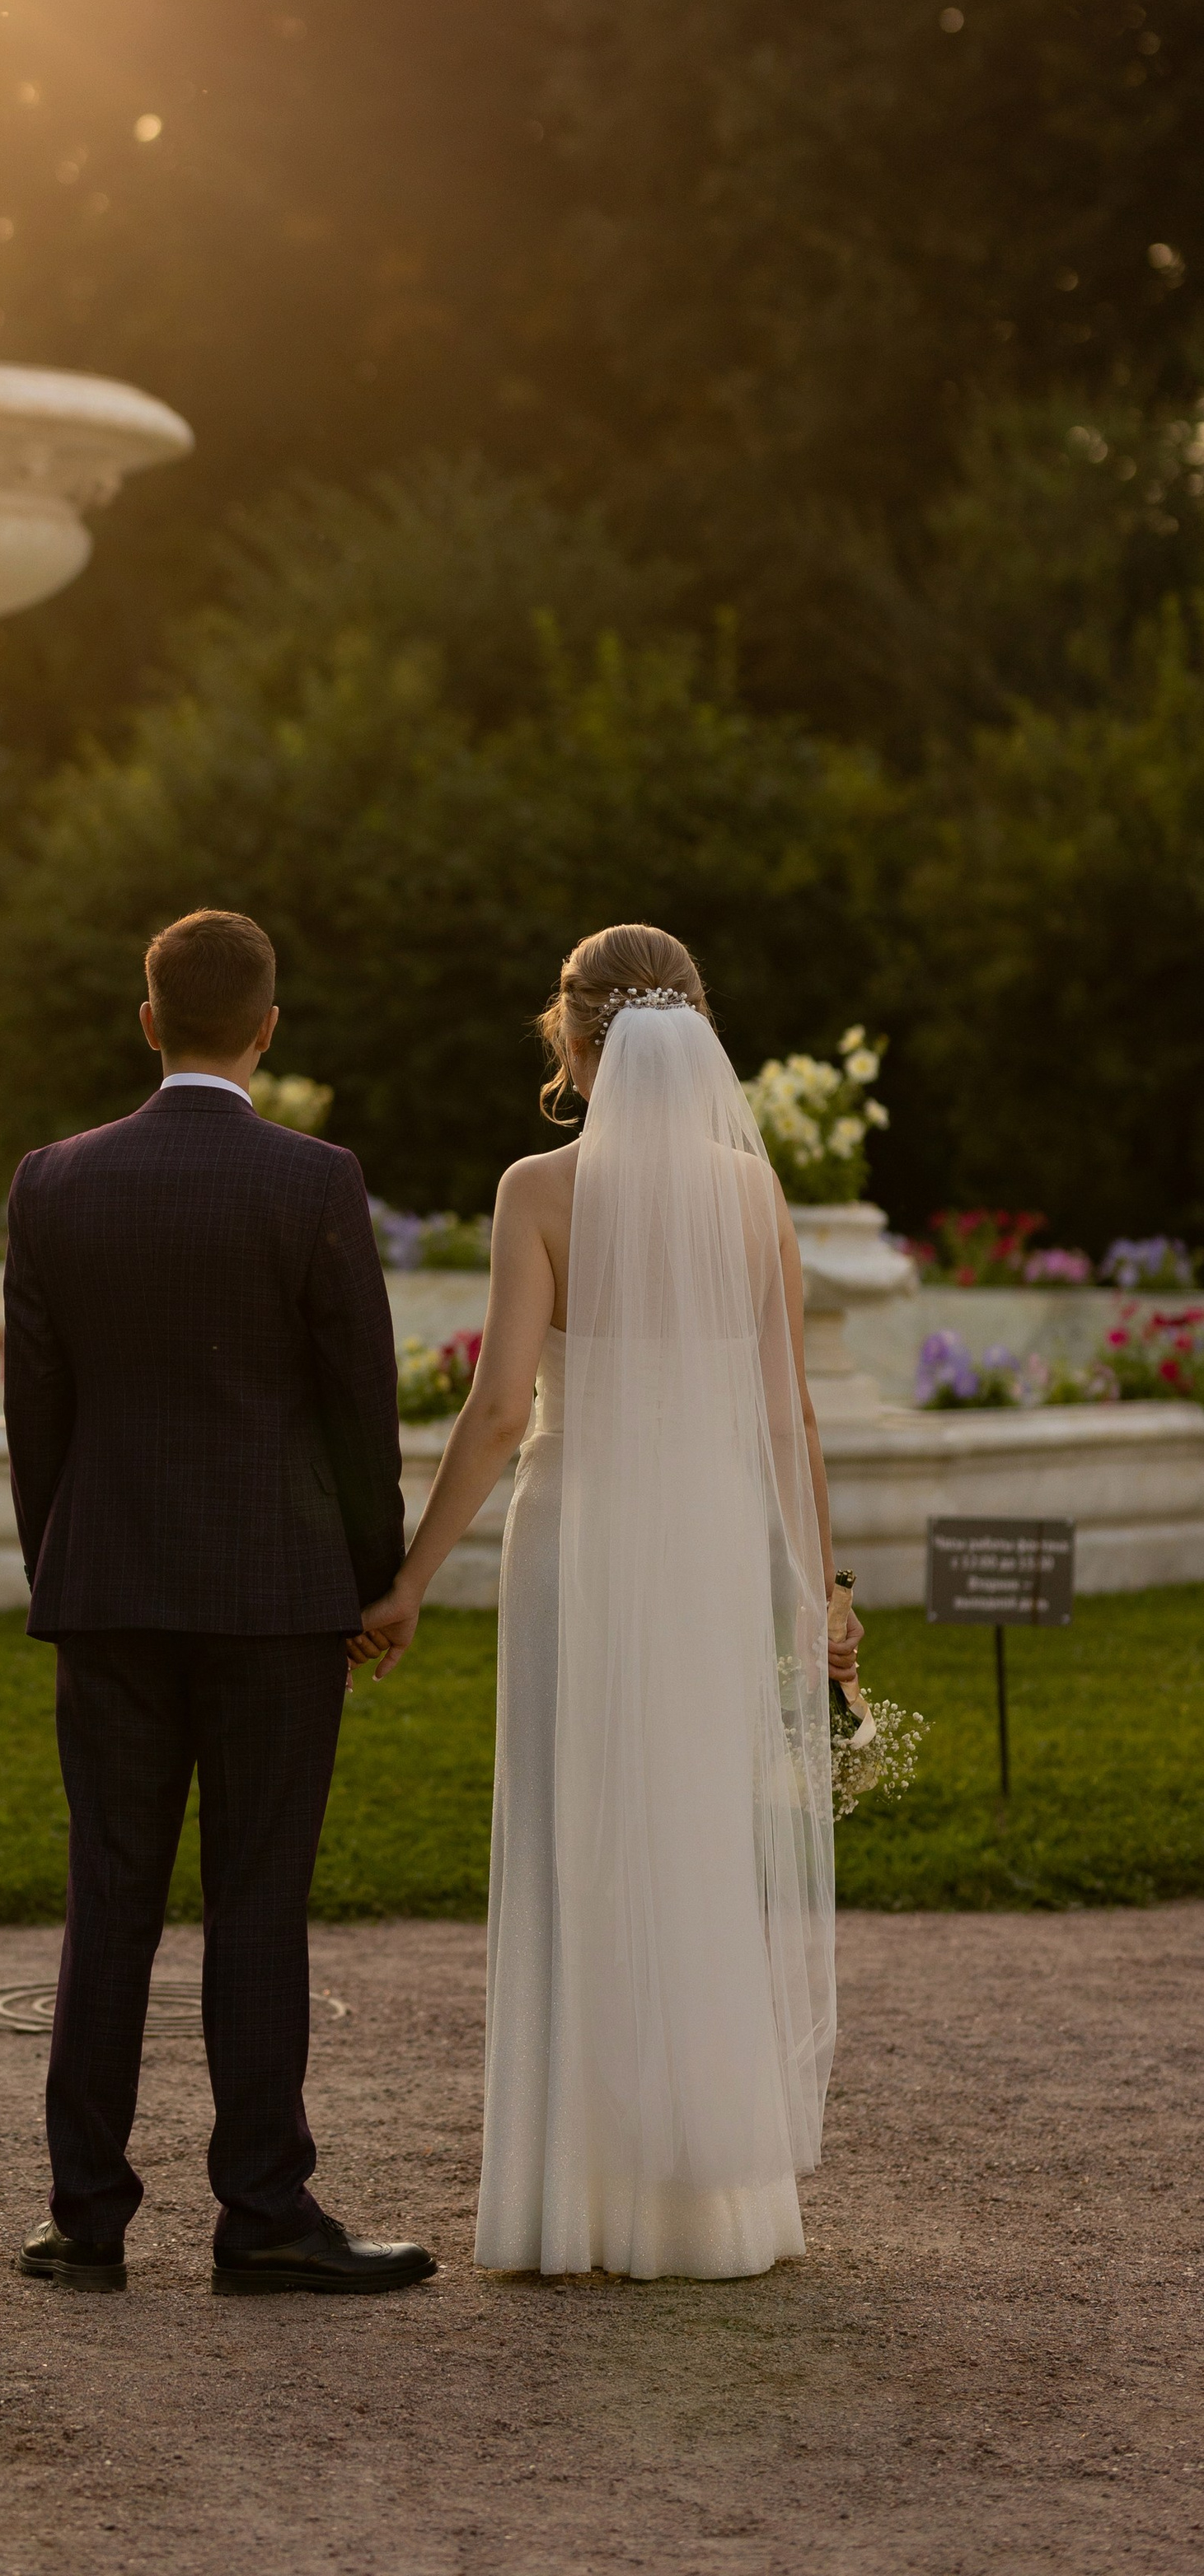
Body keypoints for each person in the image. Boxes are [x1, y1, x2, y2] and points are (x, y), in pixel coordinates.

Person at [354, 923, 857, 2280]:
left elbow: (498, 1412)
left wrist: (409, 1580)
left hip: (575, 1539)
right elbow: (788, 1417)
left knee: (574, 1839)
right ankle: (706, 2208)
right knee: (692, 1842)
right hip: (705, 1546)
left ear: (572, 1046)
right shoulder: (753, 1197)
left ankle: (569, 2201)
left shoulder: (541, 1190)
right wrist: (820, 1589)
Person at [4, 906, 438, 2297]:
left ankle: (85, 2221)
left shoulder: (54, 1182)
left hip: (109, 1588)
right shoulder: (315, 1180)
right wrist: (376, 1581)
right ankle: (264, 2214)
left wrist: (62, 1565)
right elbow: (358, 1406)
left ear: (149, 1021)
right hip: (277, 1597)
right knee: (259, 1901)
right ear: (268, 1029)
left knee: (109, 1899)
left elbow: (36, 1413)